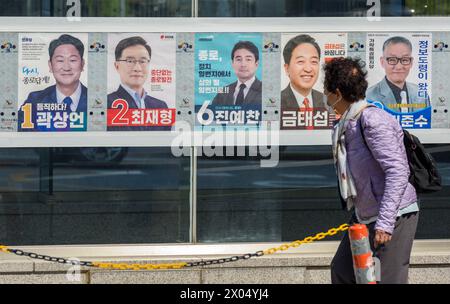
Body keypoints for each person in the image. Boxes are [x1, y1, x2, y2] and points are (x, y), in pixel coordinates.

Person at [324, 57, 419, 284]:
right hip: (365, 214)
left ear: (336, 92)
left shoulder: (372, 120)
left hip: (395, 214)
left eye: (326, 90)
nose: (325, 97)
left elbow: (397, 171)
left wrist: (385, 223)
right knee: (343, 271)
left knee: (389, 279)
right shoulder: (347, 123)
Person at [108, 36, 169, 131]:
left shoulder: (160, 106)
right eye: (130, 61)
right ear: (117, 66)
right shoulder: (107, 103)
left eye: (142, 61)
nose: (137, 68)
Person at [21, 34, 87, 113]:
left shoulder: (97, 99)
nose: (66, 67)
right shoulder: (35, 100)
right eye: (60, 60)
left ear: (82, 64)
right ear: (50, 65)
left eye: (72, 60)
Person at [366, 36, 430, 113]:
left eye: (405, 60)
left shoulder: (421, 94)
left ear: (411, 62)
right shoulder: (368, 96)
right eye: (392, 60)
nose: (399, 67)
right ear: (382, 62)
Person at [281, 34, 326, 111]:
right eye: (301, 61)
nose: (308, 69)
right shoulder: (277, 102)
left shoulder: (326, 101)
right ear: (287, 68)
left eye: (313, 61)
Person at [211, 41, 262, 106]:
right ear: (232, 63)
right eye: (238, 59)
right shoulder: (223, 92)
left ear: (256, 64)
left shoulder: (264, 90)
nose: (243, 64)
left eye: (248, 59)